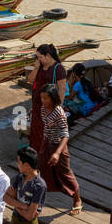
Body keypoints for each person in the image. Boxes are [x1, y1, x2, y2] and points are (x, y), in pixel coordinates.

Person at [39, 86, 81, 214]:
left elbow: (65, 135)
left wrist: (57, 153)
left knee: (65, 173)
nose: (43, 101)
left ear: (53, 98)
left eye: (46, 98)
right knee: (42, 169)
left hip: (58, 146)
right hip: (47, 143)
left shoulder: (59, 113)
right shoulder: (43, 109)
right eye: (42, 98)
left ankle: (77, 199)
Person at [30, 44, 68, 153]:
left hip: (49, 107)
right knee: (35, 131)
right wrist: (36, 67)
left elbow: (62, 89)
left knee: (46, 132)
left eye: (40, 57)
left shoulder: (59, 69)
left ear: (48, 55)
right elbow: (31, 80)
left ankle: (43, 156)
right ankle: (34, 155)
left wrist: (58, 109)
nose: (39, 60)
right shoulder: (40, 66)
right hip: (37, 105)